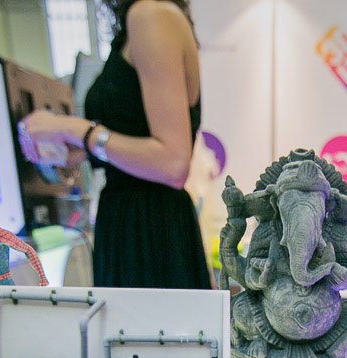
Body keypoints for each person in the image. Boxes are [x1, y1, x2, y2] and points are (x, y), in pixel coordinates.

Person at [19, 0, 209, 290]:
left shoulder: (150, 14)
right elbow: (139, 137)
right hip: (137, 225)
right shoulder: (146, 18)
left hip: (147, 231)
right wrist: (80, 150)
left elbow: (173, 163)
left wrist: (76, 130)